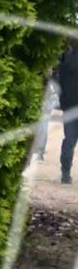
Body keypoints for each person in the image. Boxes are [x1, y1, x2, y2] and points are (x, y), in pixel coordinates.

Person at [57, 44, 78, 183]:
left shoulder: (67, 58)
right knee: (69, 141)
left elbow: (60, 81)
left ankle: (65, 172)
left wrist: (63, 101)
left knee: (69, 140)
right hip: (70, 105)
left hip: (69, 106)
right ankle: (65, 172)